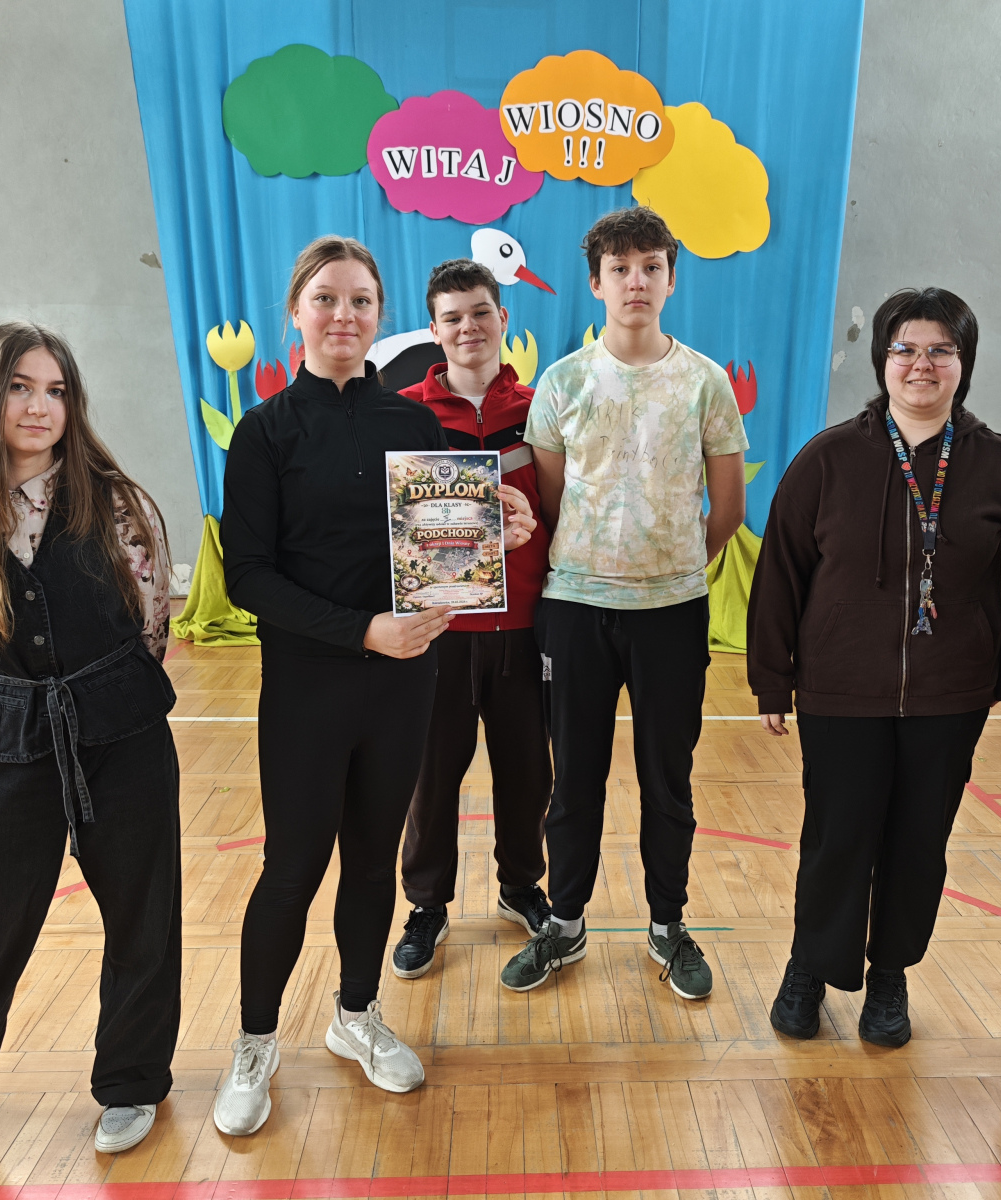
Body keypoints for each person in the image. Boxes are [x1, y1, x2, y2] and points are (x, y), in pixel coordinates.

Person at [214, 237, 535, 1134]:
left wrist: (495, 530)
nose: (343, 315)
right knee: (292, 867)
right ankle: (255, 1041)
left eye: (360, 300)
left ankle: (355, 1015)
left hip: (403, 684)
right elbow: (249, 576)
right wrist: (361, 629)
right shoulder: (265, 431)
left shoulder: (414, 424)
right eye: (326, 298)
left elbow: (439, 549)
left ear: (379, 315)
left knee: (371, 860)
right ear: (296, 312)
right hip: (309, 687)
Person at [0, 323, 181, 1189]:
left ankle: (131, 1081)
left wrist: (93, 698)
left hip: (122, 731)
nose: (39, 406)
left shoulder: (120, 505)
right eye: (19, 387)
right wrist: (26, 703)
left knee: (143, 916)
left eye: (55, 390)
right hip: (9, 741)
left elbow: (151, 623)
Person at [747, 288, 1001, 1045]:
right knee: (837, 838)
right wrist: (772, 676)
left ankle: (890, 974)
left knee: (918, 845)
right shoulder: (828, 459)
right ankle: (810, 966)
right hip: (840, 690)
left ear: (964, 363)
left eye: (940, 350)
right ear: (882, 360)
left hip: (950, 695)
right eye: (905, 349)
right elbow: (780, 570)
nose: (922, 364)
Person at [502, 205, 748, 999]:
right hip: (575, 608)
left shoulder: (704, 382)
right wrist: (600, 562)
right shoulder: (563, 382)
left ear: (671, 280)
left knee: (667, 779)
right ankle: (565, 922)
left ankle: (668, 925)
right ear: (596, 283)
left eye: (651, 267)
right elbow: (551, 500)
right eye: (620, 269)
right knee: (573, 778)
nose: (635, 281)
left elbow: (728, 510)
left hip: (672, 612)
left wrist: (669, 566)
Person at [391, 259, 554, 979]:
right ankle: (427, 905)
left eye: (481, 312)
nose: (468, 327)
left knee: (529, 774)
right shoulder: (404, 413)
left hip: (526, 628)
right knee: (431, 778)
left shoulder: (543, 408)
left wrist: (528, 526)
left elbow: (562, 509)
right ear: (434, 330)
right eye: (452, 317)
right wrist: (482, 534)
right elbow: (396, 525)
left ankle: (521, 887)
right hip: (438, 632)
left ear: (503, 319)